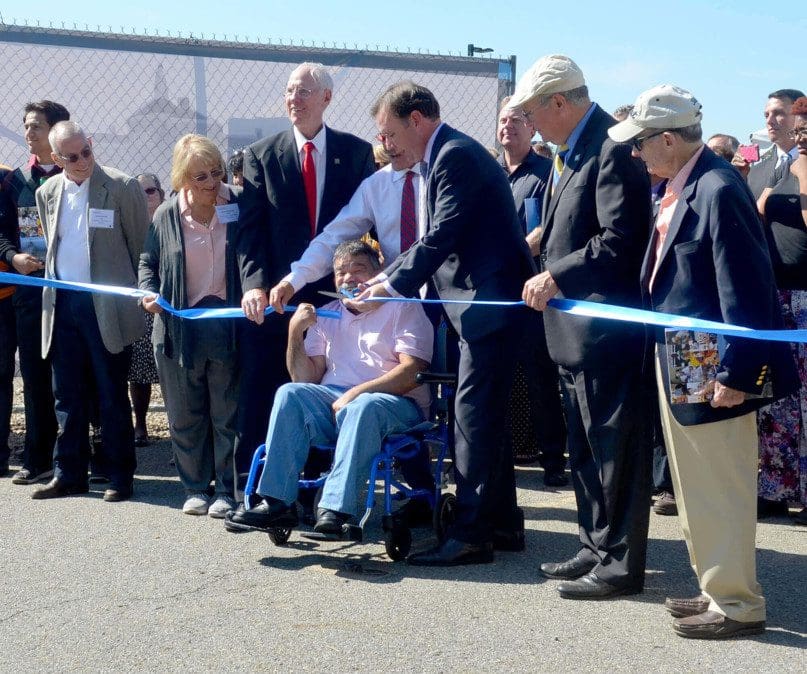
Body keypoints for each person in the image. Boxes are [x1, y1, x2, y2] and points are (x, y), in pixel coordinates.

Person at [611, 84, 798, 639]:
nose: (636, 152)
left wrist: (738, 374)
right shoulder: (682, 184)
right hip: (685, 358)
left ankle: (738, 605)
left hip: (714, 364)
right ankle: (716, 588)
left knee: (719, 487)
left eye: (642, 142)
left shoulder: (717, 188)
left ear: (668, 139)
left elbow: (747, 288)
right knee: (694, 487)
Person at [348, 81, 535, 566]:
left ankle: (471, 533)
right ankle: (500, 523)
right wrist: (385, 278)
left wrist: (387, 289)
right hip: (478, 308)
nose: (385, 145)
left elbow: (440, 235)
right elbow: (436, 240)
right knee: (484, 419)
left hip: (488, 308)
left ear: (416, 120)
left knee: (471, 422)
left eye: (389, 133)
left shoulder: (455, 156)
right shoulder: (448, 155)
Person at [512, 54, 653, 598]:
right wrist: (540, 242)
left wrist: (555, 273)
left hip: (602, 332)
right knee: (586, 447)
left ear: (559, 103)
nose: (528, 121)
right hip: (571, 334)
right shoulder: (572, 150)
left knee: (613, 450)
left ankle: (619, 565)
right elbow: (573, 224)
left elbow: (620, 239)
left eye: (532, 110)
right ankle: (595, 546)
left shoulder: (612, 147)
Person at [225, 240, 433, 533]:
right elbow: (304, 380)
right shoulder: (327, 313)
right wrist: (295, 333)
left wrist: (356, 393)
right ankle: (276, 502)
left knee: (364, 406)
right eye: (340, 273)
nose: (348, 278)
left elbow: (412, 371)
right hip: (336, 401)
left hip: (396, 403)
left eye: (358, 270)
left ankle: (336, 509)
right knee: (289, 393)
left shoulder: (403, 307)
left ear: (379, 273)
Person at [236, 62, 374, 489]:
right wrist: (254, 285)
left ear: (326, 99)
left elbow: (363, 227)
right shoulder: (261, 154)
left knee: (322, 383)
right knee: (265, 382)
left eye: (304, 92)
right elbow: (251, 231)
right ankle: (257, 483)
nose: (294, 99)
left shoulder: (356, 154)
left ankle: (318, 483)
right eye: (289, 91)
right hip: (276, 293)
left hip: (336, 294)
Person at [32, 121, 148, 502]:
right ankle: (68, 473)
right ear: (55, 158)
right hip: (63, 304)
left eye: (87, 151)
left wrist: (139, 296)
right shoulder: (47, 191)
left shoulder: (121, 185)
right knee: (66, 395)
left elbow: (140, 247)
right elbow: (52, 246)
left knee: (110, 394)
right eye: (72, 156)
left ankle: (118, 475)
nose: (83, 161)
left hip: (107, 307)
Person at [139, 135, 242, 518]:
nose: (211, 183)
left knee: (227, 411)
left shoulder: (236, 205)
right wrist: (148, 294)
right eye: (200, 177)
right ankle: (196, 487)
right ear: (183, 179)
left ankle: (228, 491)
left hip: (226, 323)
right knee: (185, 411)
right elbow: (147, 261)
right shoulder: (166, 214)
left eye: (216, 172)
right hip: (179, 325)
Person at [496, 98, 567, 485]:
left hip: (534, 293)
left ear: (532, 128)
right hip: (495, 292)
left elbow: (548, 230)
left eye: (517, 119)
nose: (508, 125)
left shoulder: (547, 173)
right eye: (503, 119)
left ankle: (554, 461)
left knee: (541, 379)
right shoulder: (490, 174)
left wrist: (516, 251)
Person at [0, 100, 69, 483]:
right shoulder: (13, 182)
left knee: (72, 376)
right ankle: (36, 456)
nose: (29, 133)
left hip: (70, 293)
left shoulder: (76, 172)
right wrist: (14, 257)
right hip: (28, 292)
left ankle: (75, 455)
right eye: (26, 126)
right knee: (35, 374)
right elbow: (2, 233)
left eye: (37, 126)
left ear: (57, 130)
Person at [755, 96, 807, 525]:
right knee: (775, 397)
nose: (771, 120)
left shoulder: (804, 165)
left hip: (804, 294)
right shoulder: (761, 166)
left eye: (780, 113)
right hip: (771, 293)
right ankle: (775, 488)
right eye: (767, 113)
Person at [128, 173, 164, 447]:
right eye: (139, 192)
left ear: (160, 195)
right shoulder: (129, 225)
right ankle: (140, 424)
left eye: (150, 191)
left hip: (171, 305)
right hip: (140, 304)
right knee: (139, 369)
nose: (145, 197)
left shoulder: (172, 222)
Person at [736, 89, 805, 199]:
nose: (769, 121)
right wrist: (736, 178)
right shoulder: (752, 172)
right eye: (766, 115)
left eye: (778, 113)